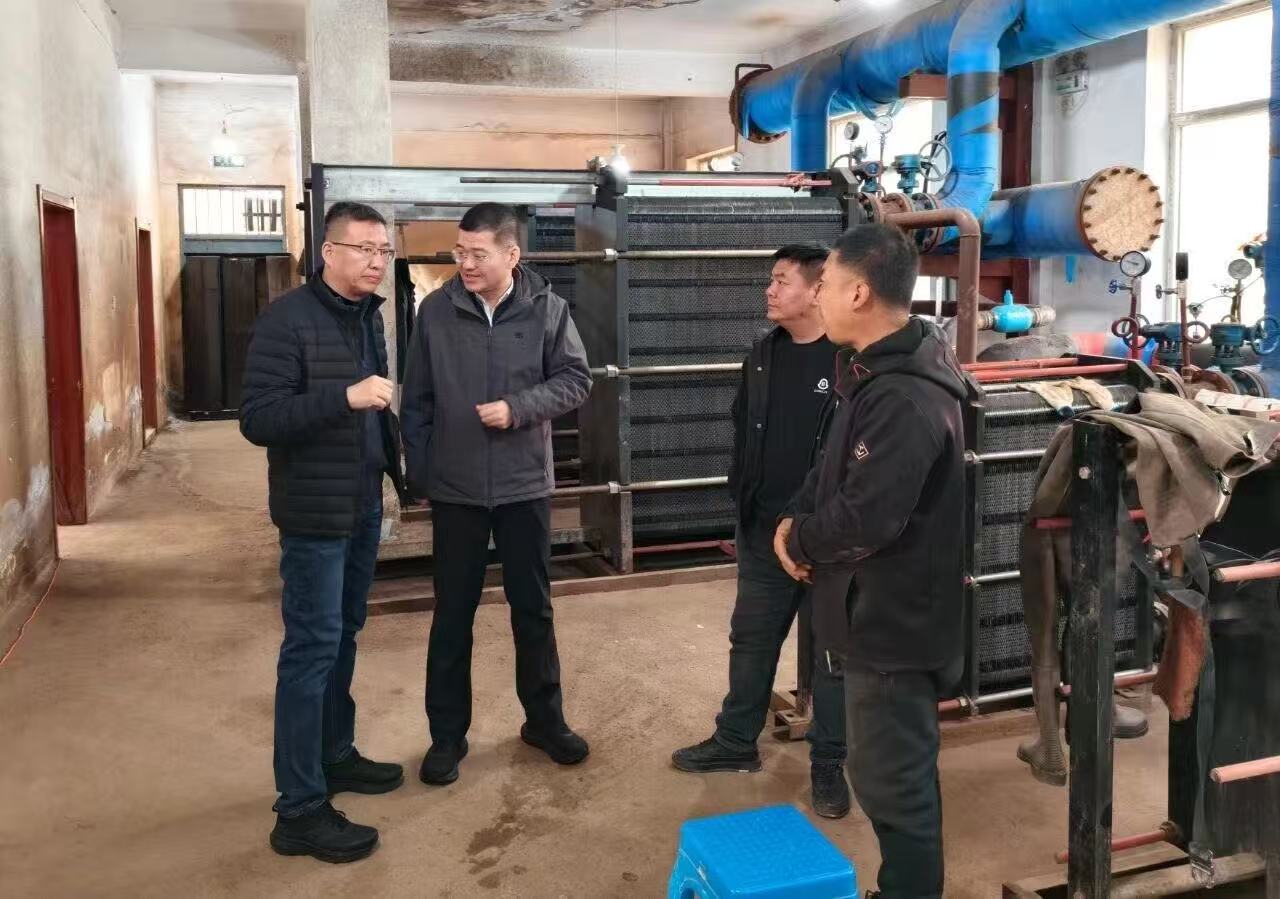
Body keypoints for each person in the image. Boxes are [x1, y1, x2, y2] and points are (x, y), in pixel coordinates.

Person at [775, 224, 966, 899]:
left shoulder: (904, 396)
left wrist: (799, 542)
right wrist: (797, 522)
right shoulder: (869, 372)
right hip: (871, 614)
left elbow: (867, 518)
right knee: (886, 771)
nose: (815, 296)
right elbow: (833, 475)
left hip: (894, 627)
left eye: (824, 284)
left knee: (894, 785)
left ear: (858, 292)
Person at [400, 202, 593, 786]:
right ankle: (447, 736)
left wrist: (518, 408)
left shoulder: (547, 309)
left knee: (532, 610)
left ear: (512, 255)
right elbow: (417, 399)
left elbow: (575, 380)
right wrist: (424, 475)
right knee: (452, 614)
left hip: (523, 487)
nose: (465, 263)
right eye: (459, 252)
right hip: (456, 490)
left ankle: (544, 721)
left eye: (477, 254)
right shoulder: (435, 312)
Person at [240, 202, 407, 864]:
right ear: (328, 252)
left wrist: (395, 469)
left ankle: (334, 754)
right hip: (313, 516)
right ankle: (299, 809)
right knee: (310, 650)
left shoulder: (367, 317)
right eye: (363, 248)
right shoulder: (286, 320)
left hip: (360, 504)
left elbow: (377, 410)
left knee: (344, 636)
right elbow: (259, 418)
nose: (375, 260)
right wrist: (344, 396)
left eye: (383, 250)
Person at [671, 244, 850, 819]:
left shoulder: (850, 362)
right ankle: (734, 741)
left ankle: (829, 764)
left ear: (817, 290)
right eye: (770, 280)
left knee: (833, 657)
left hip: (827, 540)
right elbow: (743, 427)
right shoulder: (763, 355)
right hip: (761, 528)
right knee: (751, 638)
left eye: (781, 280)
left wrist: (823, 528)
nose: (769, 291)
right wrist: (745, 500)